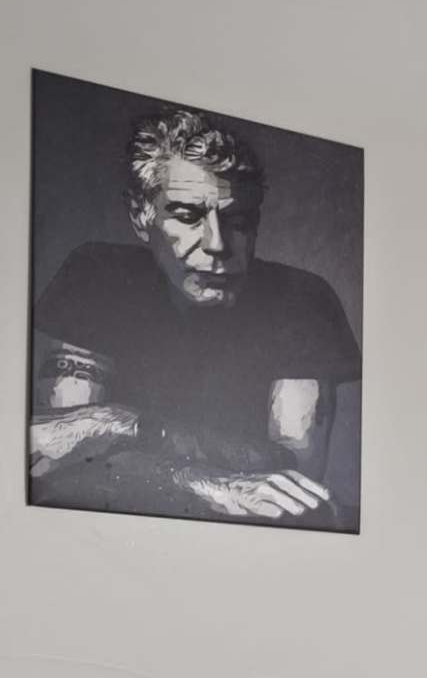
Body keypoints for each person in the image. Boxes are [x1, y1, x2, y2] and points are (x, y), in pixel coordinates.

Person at [27, 106, 360, 526]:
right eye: (187, 216)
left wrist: (114, 424)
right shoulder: (98, 275)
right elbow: (53, 460)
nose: (217, 243)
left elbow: (288, 486)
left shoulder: (301, 300)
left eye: (238, 220)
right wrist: (211, 484)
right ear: (139, 215)